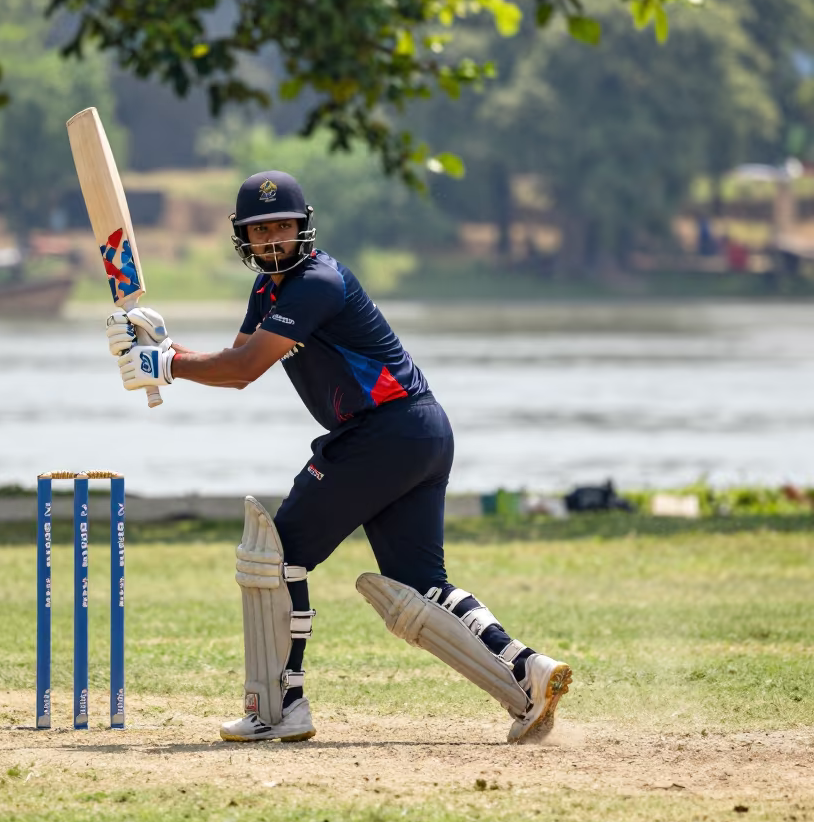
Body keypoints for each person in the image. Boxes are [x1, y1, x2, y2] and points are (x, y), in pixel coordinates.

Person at [105, 170, 572, 744]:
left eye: (283, 226)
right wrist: (165, 346)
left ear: (304, 227)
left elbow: (244, 371)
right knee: (420, 584)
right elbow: (238, 357)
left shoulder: (315, 282)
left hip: (383, 434)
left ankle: (279, 709)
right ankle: (526, 672)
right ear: (242, 239)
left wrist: (168, 367)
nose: (273, 239)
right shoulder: (271, 289)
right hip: (419, 432)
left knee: (275, 556)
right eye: (260, 230)